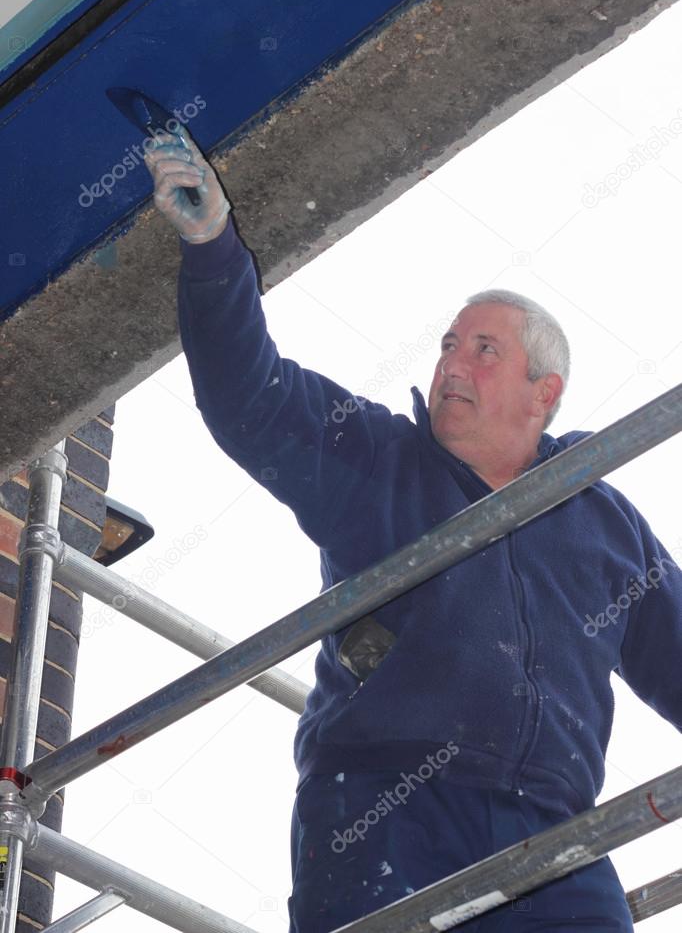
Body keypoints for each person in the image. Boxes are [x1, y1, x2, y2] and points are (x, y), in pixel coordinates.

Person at [143, 127, 681, 932]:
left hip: (554, 838)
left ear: (546, 391)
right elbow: (249, 397)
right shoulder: (378, 457)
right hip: (385, 806)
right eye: (448, 345)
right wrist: (213, 247)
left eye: (484, 350)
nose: (453, 364)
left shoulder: (602, 520)